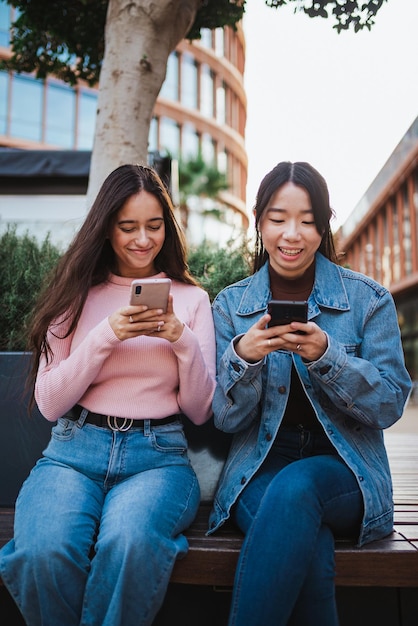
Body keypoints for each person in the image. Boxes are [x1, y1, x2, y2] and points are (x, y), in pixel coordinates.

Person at [0, 164, 216, 626]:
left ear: (168, 227)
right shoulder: (75, 295)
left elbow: (200, 409)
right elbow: (50, 403)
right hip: (74, 452)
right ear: (105, 228)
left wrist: (180, 338)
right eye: (128, 227)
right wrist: (105, 337)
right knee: (43, 551)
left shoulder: (192, 300)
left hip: (156, 458)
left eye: (154, 225)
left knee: (130, 543)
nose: (143, 239)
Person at [208, 161, 412, 626]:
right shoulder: (231, 306)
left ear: (324, 225)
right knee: (307, 538)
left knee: (299, 489)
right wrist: (246, 357)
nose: (291, 234)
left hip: (346, 467)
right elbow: (226, 419)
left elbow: (389, 404)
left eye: (306, 220)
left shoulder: (369, 300)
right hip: (261, 462)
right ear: (259, 221)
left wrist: (328, 357)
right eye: (278, 219)